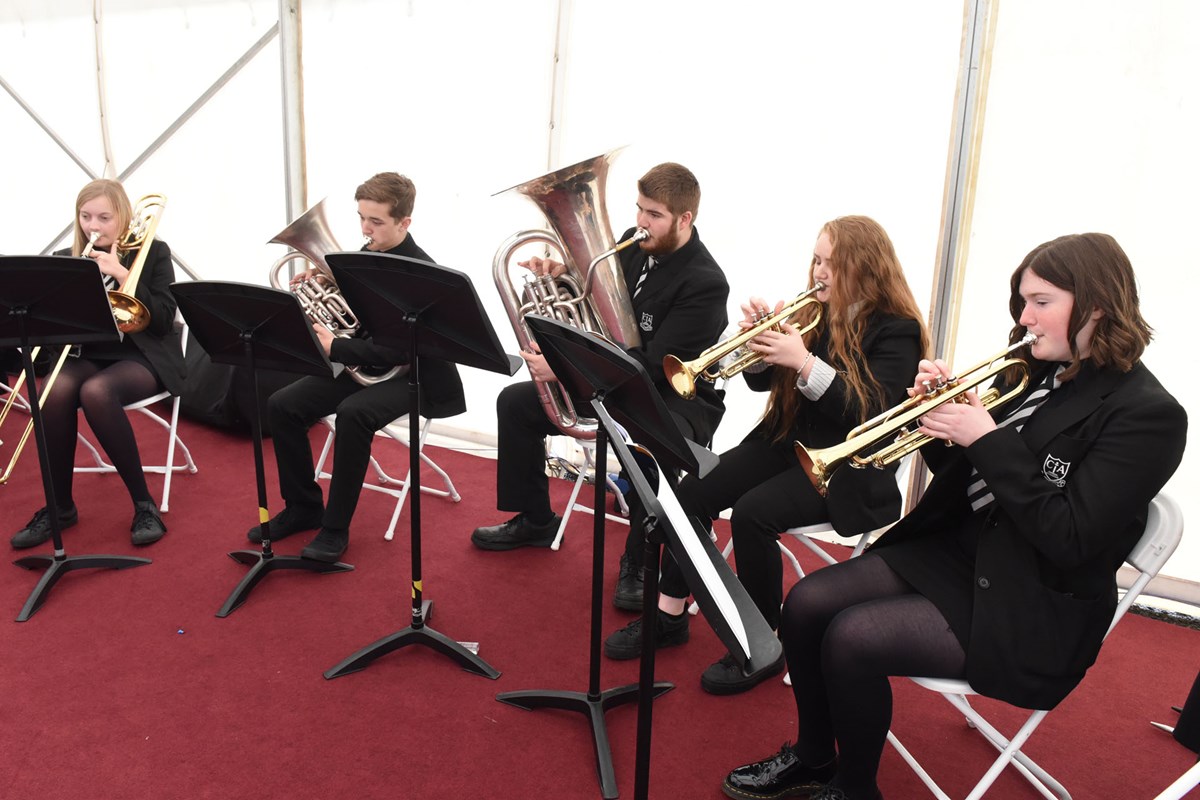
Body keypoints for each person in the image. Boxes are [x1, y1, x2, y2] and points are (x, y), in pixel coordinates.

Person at [722, 232, 1187, 800]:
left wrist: (986, 439)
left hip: (1031, 598)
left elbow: (1071, 537)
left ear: (1094, 305)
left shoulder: (1150, 415)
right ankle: (816, 757)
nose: (1024, 317)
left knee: (852, 638)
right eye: (1022, 300)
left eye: (1041, 302)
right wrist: (934, 422)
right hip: (959, 551)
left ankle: (854, 788)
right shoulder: (1036, 369)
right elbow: (966, 474)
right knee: (805, 604)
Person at [602, 216, 929, 695]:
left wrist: (804, 362)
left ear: (866, 267)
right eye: (817, 259)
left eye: (832, 263)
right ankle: (670, 613)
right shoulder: (817, 311)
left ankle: (762, 643)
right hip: (784, 444)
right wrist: (761, 344)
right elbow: (762, 382)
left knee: (753, 514)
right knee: (690, 495)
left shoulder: (897, 330)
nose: (819, 272)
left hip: (847, 468)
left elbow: (872, 412)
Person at [470, 162, 729, 609]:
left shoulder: (705, 283)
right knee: (515, 404)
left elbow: (651, 365)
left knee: (653, 446)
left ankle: (640, 560)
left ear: (685, 219)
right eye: (639, 209)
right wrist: (558, 273)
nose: (641, 222)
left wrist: (567, 366)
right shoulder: (630, 246)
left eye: (654, 214)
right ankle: (535, 518)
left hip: (672, 398)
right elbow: (590, 298)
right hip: (607, 379)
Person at [248, 172, 465, 563]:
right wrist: (322, 283)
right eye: (362, 218)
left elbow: (402, 349)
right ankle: (302, 507)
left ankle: (335, 528)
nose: (366, 229)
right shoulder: (362, 256)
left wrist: (339, 347)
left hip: (419, 374)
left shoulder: (421, 273)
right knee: (283, 404)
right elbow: (357, 318)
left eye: (376, 221)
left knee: (354, 413)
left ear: (404, 223)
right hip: (368, 365)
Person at [9, 178, 186, 549]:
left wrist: (122, 274)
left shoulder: (154, 253)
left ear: (123, 219)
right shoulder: (65, 261)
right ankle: (59, 508)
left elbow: (165, 316)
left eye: (105, 217)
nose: (94, 226)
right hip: (86, 354)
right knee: (52, 391)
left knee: (97, 392)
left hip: (140, 356)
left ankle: (144, 505)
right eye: (86, 216)